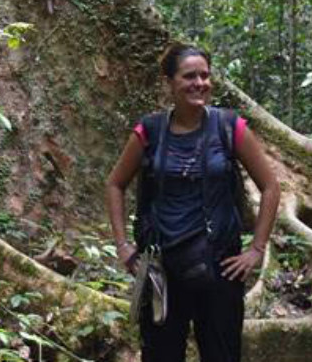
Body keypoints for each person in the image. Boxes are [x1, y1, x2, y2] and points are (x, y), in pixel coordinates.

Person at [104, 43, 281, 362]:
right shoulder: (150, 130)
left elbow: (270, 186)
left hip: (220, 269)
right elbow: (115, 184)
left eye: (205, 75)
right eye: (189, 76)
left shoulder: (230, 127)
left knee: (222, 354)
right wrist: (123, 247)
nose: (200, 83)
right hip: (161, 270)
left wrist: (256, 249)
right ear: (170, 82)